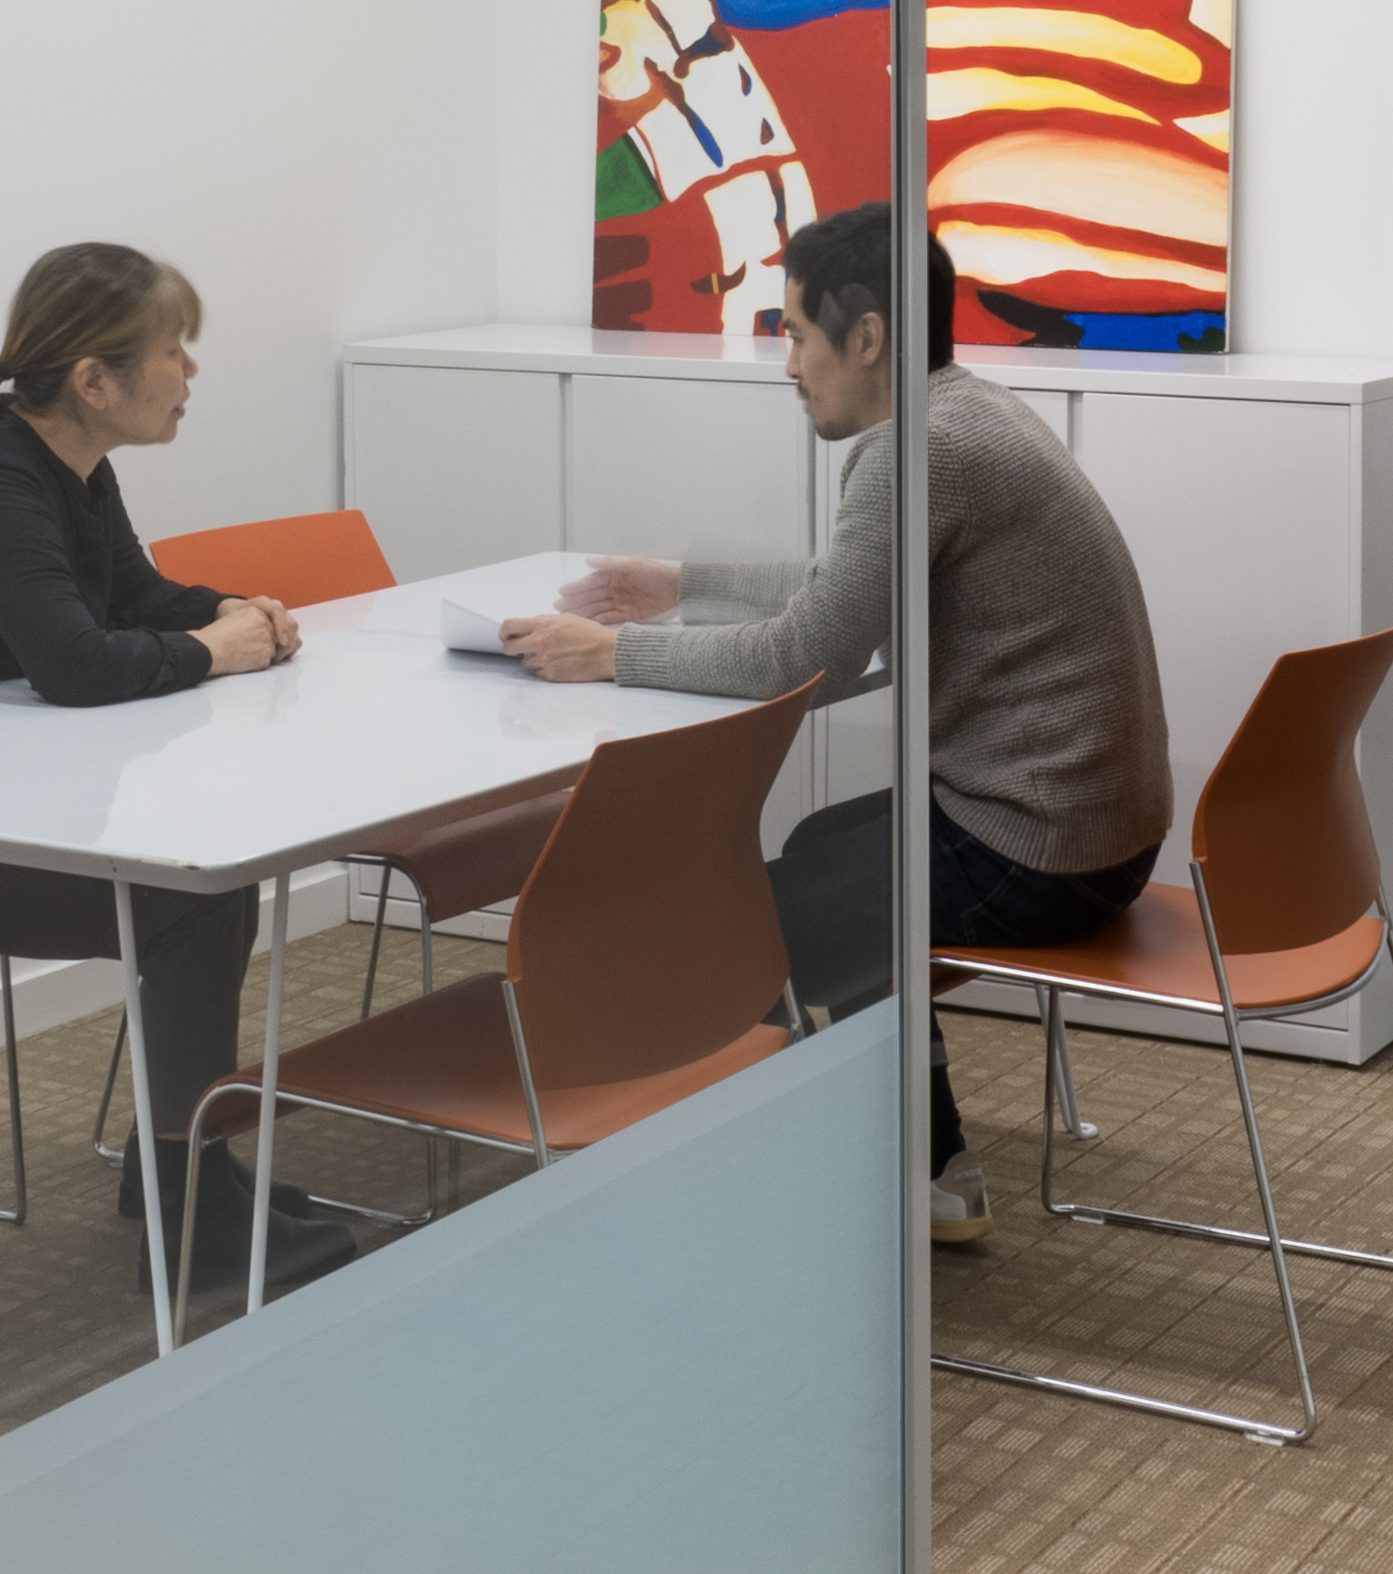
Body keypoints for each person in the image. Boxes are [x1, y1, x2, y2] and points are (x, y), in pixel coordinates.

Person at [501, 200, 1172, 1250]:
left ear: (867, 337)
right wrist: (680, 581)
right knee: (820, 851)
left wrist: (610, 653)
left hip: (1037, 847)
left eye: (795, 334)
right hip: (1090, 826)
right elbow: (846, 590)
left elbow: (799, 660)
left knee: (774, 910)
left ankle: (827, 1174)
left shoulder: (919, 451)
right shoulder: (969, 412)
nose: (786, 364)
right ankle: (931, 1168)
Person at [0, 241, 358, 1295]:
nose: (190, 372)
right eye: (173, 351)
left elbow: (133, 601)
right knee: (193, 899)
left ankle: (181, 1171)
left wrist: (229, 612)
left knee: (207, 883)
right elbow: (73, 665)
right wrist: (215, 650)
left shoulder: (69, 470)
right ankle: (188, 1206)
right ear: (95, 381)